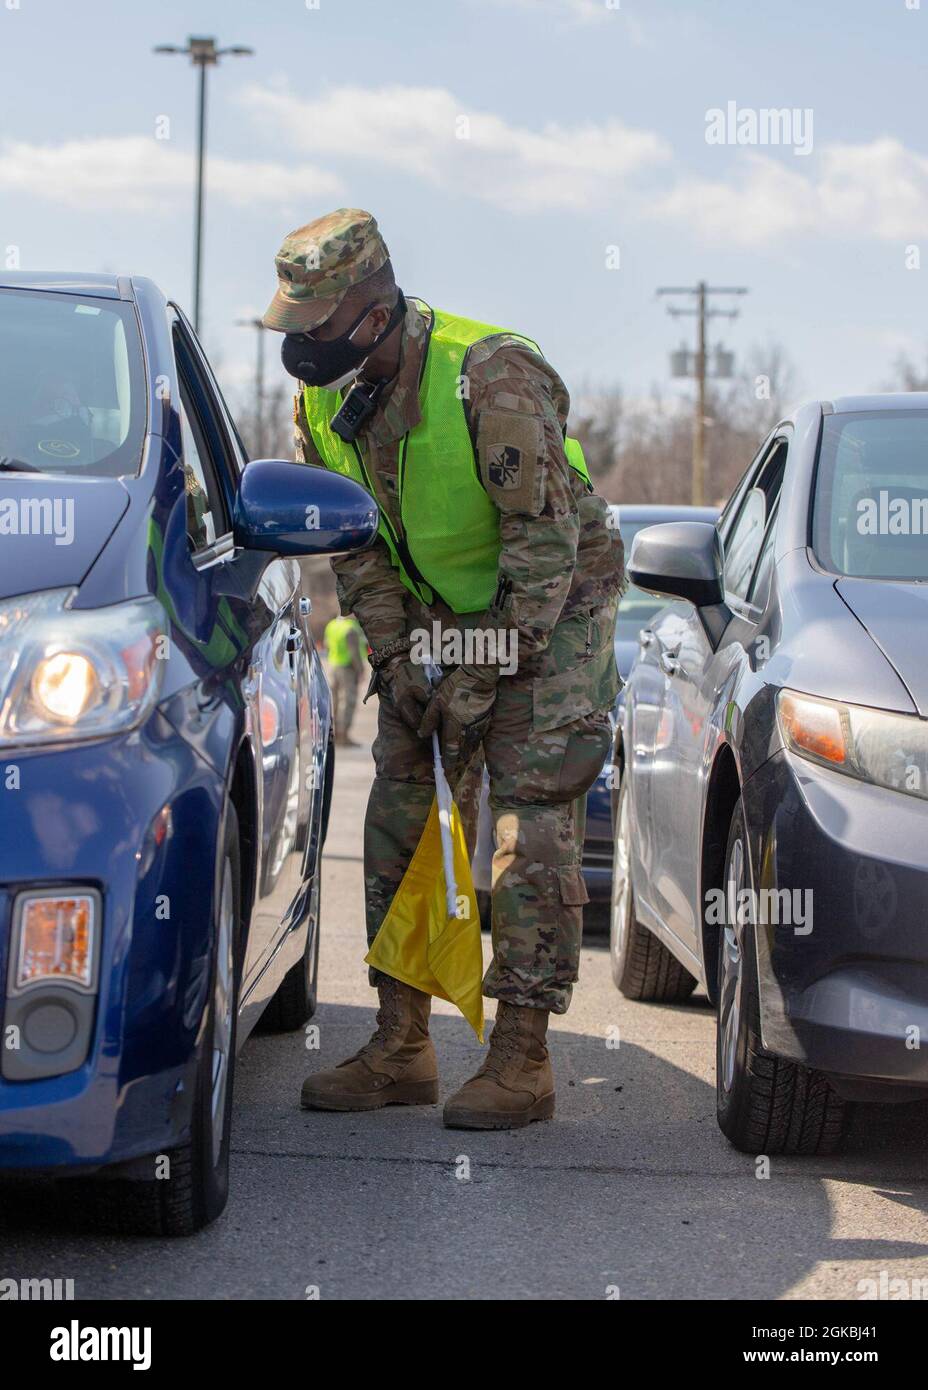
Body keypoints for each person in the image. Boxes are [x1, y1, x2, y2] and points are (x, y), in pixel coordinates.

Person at [262, 208, 624, 1130]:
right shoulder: (321, 399)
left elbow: (542, 549)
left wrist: (479, 668)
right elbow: (355, 549)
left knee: (529, 814)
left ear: (375, 316)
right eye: (290, 327)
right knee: (401, 803)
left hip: (553, 604)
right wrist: (398, 659)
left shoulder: (491, 377)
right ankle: (402, 1043)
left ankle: (522, 1058)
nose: (298, 349)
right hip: (431, 613)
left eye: (315, 327)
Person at [323, 612, 365, 746]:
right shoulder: (350, 628)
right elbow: (354, 652)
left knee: (334, 701)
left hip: (333, 666)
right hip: (347, 668)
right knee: (348, 702)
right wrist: (360, 670)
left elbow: (326, 644)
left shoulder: (332, 625)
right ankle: (343, 736)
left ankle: (332, 733)